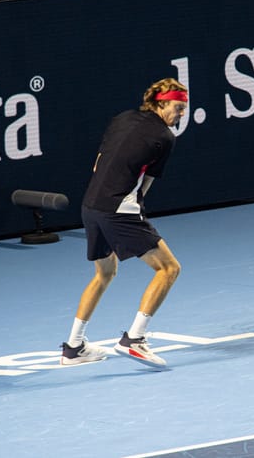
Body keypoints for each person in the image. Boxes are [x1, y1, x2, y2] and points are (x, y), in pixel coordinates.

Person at [60, 78, 188, 369]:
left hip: (91, 205)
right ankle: (134, 340)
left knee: (105, 273)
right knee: (169, 268)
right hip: (119, 209)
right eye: (178, 108)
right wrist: (134, 213)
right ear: (161, 103)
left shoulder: (122, 118)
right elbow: (145, 186)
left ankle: (73, 347)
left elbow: (98, 163)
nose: (181, 115)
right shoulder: (165, 138)